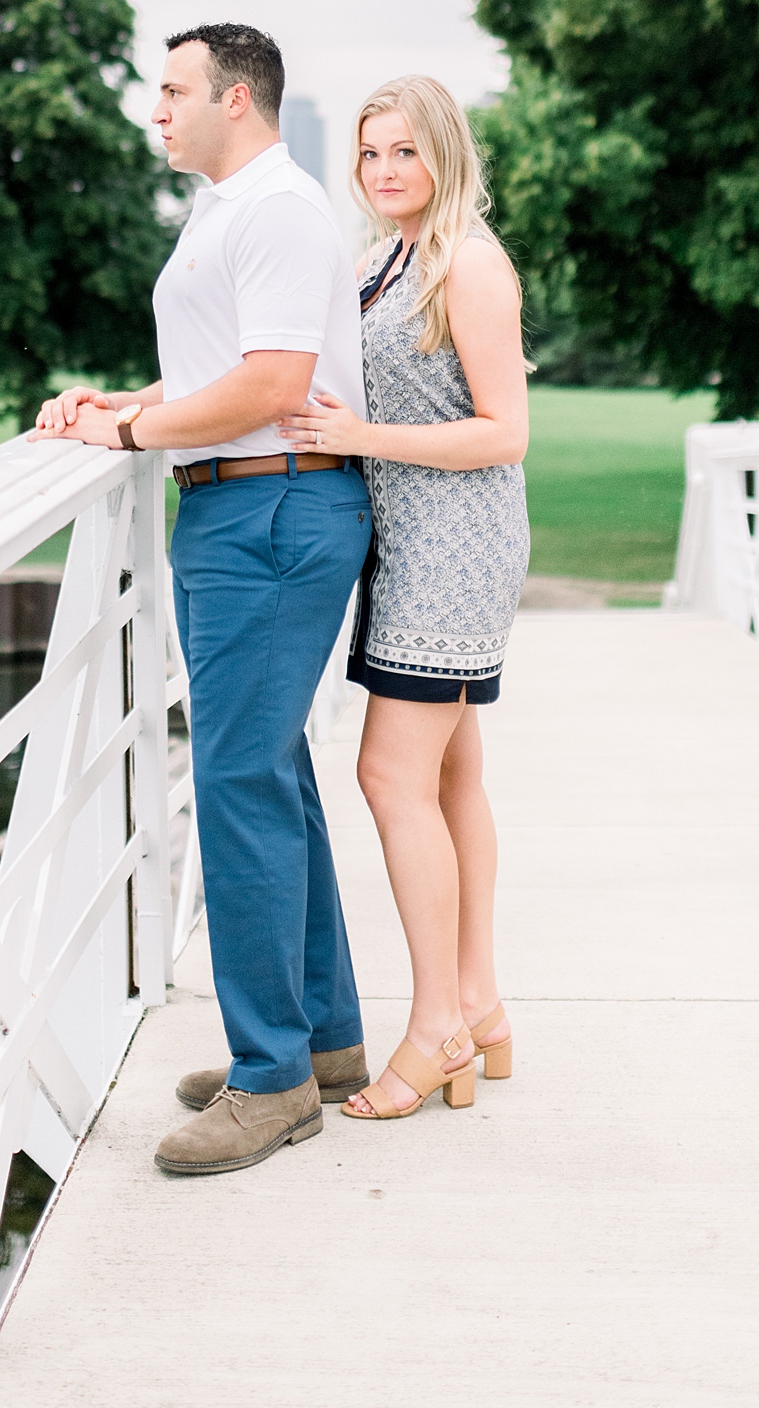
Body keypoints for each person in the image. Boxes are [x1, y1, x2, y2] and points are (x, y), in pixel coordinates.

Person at [34, 23, 374, 1175]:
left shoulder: (276, 209)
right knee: (268, 774)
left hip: (270, 510)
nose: (155, 108)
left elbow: (277, 388)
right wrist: (123, 399)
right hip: (247, 504)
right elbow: (227, 370)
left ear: (239, 96)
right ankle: (319, 1047)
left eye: (173, 89)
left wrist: (133, 429)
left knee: (235, 781)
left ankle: (269, 1079)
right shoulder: (232, 211)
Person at [276, 73, 529, 1121]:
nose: (384, 172)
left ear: (445, 155)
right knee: (451, 771)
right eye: (370, 155)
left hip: (454, 547)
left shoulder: (467, 261)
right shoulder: (387, 255)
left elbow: (505, 430)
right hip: (410, 540)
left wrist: (361, 437)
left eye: (404, 153)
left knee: (389, 774)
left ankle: (434, 1030)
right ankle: (479, 1008)